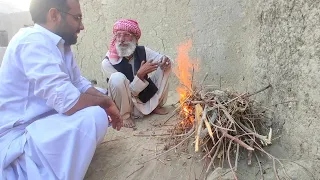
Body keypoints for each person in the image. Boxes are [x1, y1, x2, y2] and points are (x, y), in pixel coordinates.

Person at [0, 0, 123, 179]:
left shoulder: (60, 45)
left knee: (98, 95)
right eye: (77, 17)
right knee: (94, 114)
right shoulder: (31, 41)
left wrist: (106, 100)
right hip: (19, 139)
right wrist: (104, 103)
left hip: (43, 124)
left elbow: (79, 83)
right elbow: (68, 102)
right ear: (54, 15)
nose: (82, 26)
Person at [101, 19, 173, 128]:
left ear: (135, 38)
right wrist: (139, 76)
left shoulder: (142, 51)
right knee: (117, 78)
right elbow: (129, 92)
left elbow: (161, 58)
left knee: (167, 65)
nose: (121, 40)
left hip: (143, 96)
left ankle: (154, 106)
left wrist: (165, 60)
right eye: (118, 35)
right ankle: (124, 116)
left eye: (126, 35)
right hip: (126, 102)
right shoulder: (107, 62)